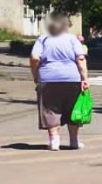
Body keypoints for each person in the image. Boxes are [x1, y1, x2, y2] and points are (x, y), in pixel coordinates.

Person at [29, 14, 89, 151]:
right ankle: (74, 141)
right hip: (72, 78)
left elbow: (34, 58)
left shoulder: (43, 39)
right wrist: (85, 79)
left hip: (48, 79)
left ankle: (54, 141)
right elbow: (80, 59)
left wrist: (35, 75)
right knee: (72, 109)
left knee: (50, 109)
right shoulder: (72, 39)